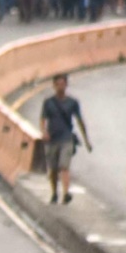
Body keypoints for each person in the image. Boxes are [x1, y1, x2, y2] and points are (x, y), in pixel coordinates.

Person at [40, 74, 91, 204]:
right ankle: (54, 193)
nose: (60, 86)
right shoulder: (48, 102)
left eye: (62, 84)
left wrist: (86, 140)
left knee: (64, 166)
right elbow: (43, 119)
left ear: (66, 85)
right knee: (53, 169)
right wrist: (44, 132)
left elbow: (80, 121)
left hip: (66, 138)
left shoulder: (72, 103)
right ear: (54, 85)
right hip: (52, 139)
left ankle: (66, 193)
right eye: (58, 84)